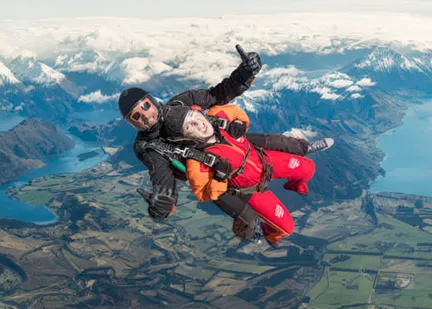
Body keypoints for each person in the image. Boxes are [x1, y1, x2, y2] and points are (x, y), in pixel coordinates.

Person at [118, 45, 333, 238]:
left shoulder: (181, 102)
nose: (145, 116)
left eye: (145, 106)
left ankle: (304, 149)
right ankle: (256, 234)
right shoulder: (149, 146)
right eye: (136, 116)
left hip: (228, 142)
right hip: (216, 178)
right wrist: (164, 202)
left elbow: (217, 94)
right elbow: (161, 174)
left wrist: (246, 72)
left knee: (275, 142)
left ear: (152, 100)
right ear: (132, 123)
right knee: (248, 217)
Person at [165, 103, 319, 244]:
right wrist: (219, 178)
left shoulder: (219, 118)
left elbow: (236, 111)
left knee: (309, 168)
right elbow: (203, 194)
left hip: (264, 161)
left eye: (195, 117)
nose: (198, 124)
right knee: (286, 228)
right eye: (189, 126)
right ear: (184, 138)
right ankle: (269, 233)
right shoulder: (197, 162)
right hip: (251, 191)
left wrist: (240, 123)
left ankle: (296, 185)